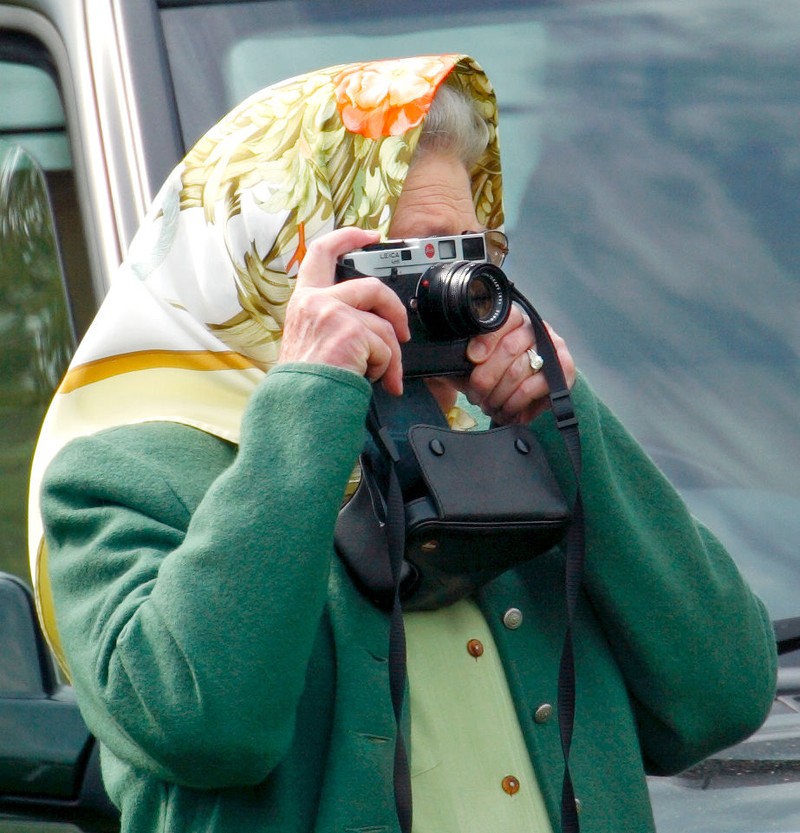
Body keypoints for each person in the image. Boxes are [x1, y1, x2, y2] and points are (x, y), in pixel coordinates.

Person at [29, 55, 776, 833]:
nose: (449, 294)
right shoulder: (118, 479)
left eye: (468, 255)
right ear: (277, 263)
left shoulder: (507, 463)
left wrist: (565, 418)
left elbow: (724, 694)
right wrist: (311, 396)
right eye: (411, 261)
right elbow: (203, 724)